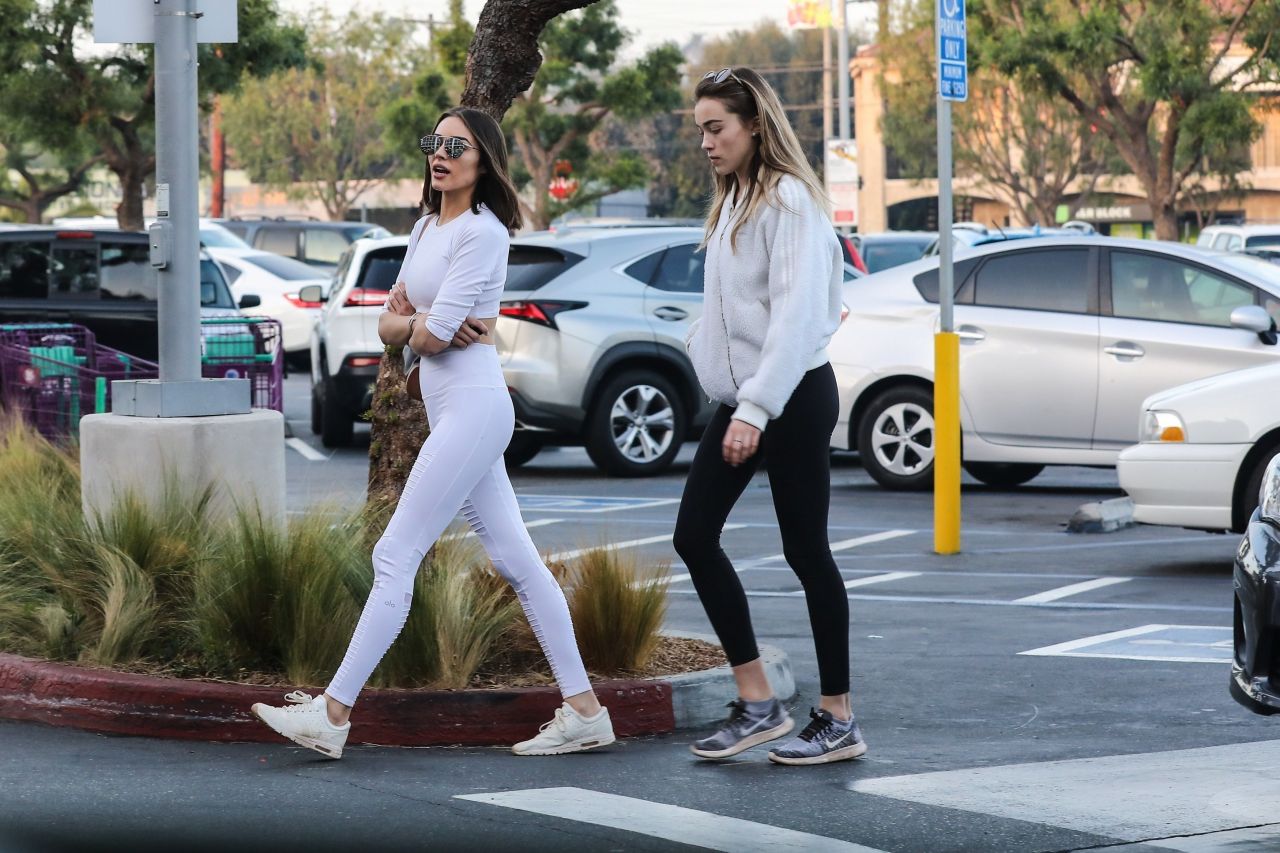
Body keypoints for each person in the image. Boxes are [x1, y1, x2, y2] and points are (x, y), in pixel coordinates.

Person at [251, 108, 614, 759]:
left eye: (458, 145)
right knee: (520, 563)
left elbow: (432, 335)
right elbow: (390, 326)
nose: (440, 154)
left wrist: (421, 323)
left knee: (394, 554)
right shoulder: (423, 228)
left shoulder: (483, 233)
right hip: (448, 409)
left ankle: (332, 714)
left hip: (475, 408)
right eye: (435, 143)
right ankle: (585, 709)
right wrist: (422, 321)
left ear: (483, 161)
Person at [674, 67, 866, 766]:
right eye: (700, 129)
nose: (706, 142)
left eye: (716, 127)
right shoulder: (733, 200)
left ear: (755, 125)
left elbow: (790, 323)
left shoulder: (788, 201)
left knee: (806, 552)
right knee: (694, 536)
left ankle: (839, 716)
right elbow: (732, 314)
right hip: (746, 397)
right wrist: (709, 359)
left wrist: (754, 407)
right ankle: (759, 702)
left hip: (791, 397)